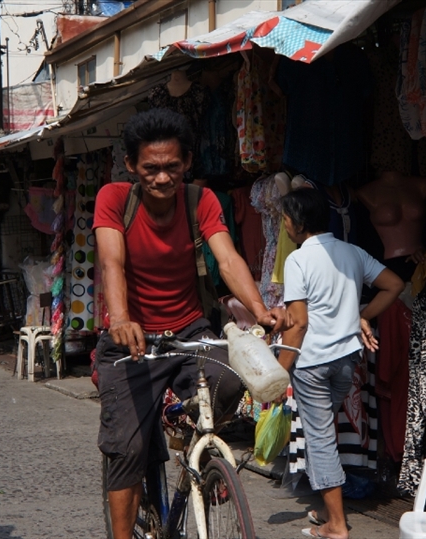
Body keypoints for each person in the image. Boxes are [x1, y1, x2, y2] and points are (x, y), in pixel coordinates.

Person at [93, 108, 286, 539]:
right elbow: (111, 262)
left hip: (188, 331)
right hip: (132, 340)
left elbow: (228, 258)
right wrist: (121, 319)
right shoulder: (114, 198)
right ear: (131, 166)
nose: (163, 178)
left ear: (187, 162)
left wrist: (260, 310)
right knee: (128, 449)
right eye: (151, 168)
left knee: (231, 381)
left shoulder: (201, 200)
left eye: (172, 167)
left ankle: (193, 443)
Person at [277, 189, 403, 539]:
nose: (284, 226)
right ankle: (326, 509)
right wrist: (363, 315)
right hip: (347, 362)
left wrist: (278, 371)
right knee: (323, 434)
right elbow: (393, 284)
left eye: (285, 219)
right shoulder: (352, 252)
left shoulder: (298, 259)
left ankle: (336, 524)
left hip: (312, 363)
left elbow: (299, 324)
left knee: (319, 439)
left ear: (298, 222)